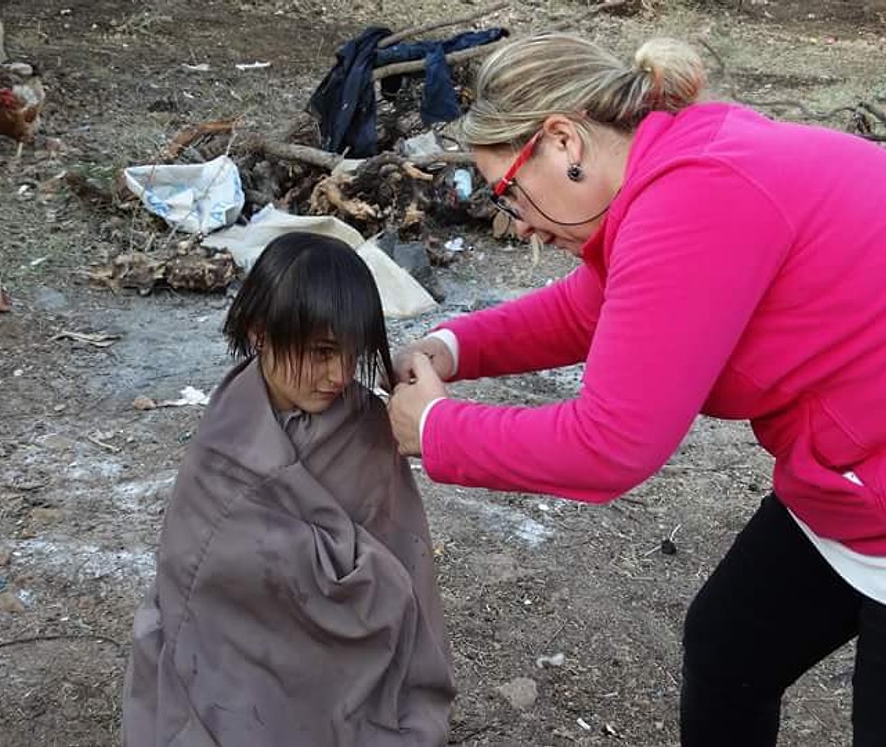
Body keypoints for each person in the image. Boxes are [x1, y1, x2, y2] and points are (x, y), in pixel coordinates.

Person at [386, 31, 886, 746]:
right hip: (853, 475)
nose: (514, 219)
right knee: (730, 644)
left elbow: (611, 444)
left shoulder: (695, 194)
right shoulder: (674, 163)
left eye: (509, 189)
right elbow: (590, 306)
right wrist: (452, 346)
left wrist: (435, 429)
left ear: (563, 142)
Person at [123, 232, 454, 747]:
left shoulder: (368, 429)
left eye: (352, 353)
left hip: (343, 663)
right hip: (230, 660)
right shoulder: (230, 427)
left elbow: (403, 563)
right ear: (260, 332)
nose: (340, 374)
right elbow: (192, 574)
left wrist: (342, 578)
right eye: (322, 352)